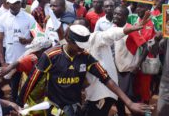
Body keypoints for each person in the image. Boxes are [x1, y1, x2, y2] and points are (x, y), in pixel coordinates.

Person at [18, 24, 153, 116]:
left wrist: (129, 103)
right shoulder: (50, 56)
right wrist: (18, 105)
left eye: (84, 47)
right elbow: (32, 80)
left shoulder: (85, 57)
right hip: (54, 109)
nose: (82, 50)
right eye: (79, 47)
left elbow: (106, 78)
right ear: (68, 40)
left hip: (75, 108)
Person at [0, 0, 36, 102]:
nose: (15, 5)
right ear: (7, 4)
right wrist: (2, 62)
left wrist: (27, 40)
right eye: (12, 3)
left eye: (17, 3)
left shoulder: (29, 18)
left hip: (27, 60)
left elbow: (37, 37)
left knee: (28, 89)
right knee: (14, 90)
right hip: (11, 60)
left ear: (20, 3)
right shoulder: (2, 19)